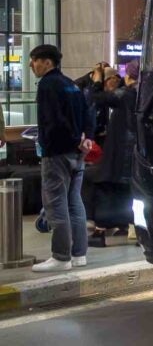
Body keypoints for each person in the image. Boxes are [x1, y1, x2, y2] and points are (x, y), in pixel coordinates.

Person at [29, 44, 95, 272]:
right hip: (77, 154)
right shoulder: (71, 85)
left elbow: (54, 120)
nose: (31, 65)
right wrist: (87, 138)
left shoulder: (48, 85)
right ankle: (79, 254)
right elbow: (89, 112)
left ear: (47, 62)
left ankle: (61, 256)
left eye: (34, 60)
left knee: (56, 204)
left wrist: (74, 137)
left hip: (57, 153)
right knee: (74, 203)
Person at [84, 61, 138, 246]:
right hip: (134, 153)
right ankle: (133, 226)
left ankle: (100, 231)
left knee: (103, 187)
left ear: (128, 77)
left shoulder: (126, 94)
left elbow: (96, 97)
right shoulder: (144, 94)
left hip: (121, 153)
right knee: (129, 191)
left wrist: (97, 80)